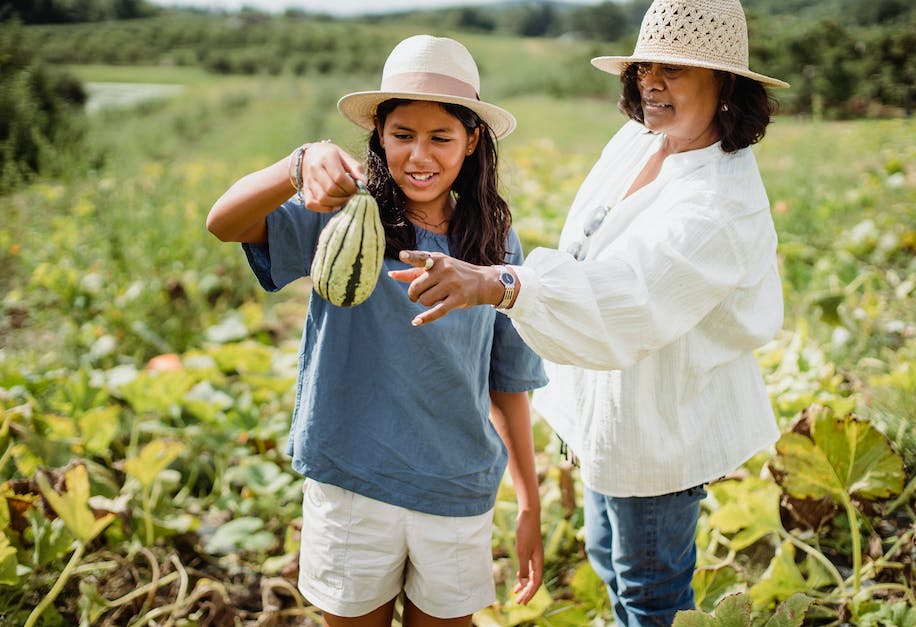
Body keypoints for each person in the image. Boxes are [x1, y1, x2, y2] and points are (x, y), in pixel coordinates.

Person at [388, 0, 790, 625]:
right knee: (608, 555)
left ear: (727, 85)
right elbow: (587, 252)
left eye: (676, 70)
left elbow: (626, 297)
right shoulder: (642, 140)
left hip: (660, 420)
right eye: (645, 67)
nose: (651, 82)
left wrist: (498, 283)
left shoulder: (718, 205)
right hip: (613, 407)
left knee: (649, 590)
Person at [206, 35, 546, 627]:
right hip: (353, 482)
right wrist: (297, 164)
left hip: (455, 488)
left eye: (441, 137)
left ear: (471, 142)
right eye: (402, 135)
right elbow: (223, 222)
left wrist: (529, 502)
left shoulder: (494, 244)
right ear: (379, 138)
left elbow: (508, 382)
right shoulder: (340, 217)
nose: (420, 155)